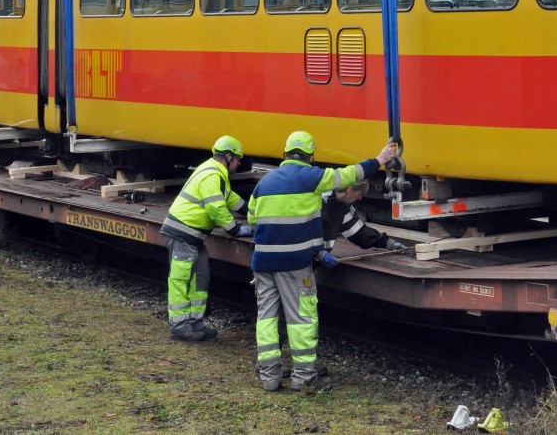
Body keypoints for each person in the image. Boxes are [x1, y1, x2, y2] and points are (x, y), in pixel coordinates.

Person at [249, 131, 399, 392]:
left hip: (262, 261)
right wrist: (380, 159)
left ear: (285, 153)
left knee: (267, 317)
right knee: (301, 318)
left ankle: (269, 376)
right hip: (293, 264)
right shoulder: (310, 177)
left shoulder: (265, 183)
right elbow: (350, 174)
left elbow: (252, 219)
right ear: (310, 156)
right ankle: (305, 376)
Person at [158, 135, 252, 341]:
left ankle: (195, 322)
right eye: (237, 159)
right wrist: (235, 230)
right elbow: (216, 208)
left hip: (193, 236)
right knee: (181, 280)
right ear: (228, 156)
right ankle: (179, 325)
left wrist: (253, 212)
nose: (239, 164)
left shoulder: (216, 173)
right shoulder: (212, 175)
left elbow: (231, 199)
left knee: (200, 278)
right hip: (182, 233)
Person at [320, 181, 406, 256]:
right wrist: (320, 255)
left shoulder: (341, 206)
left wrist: (387, 243)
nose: (360, 198)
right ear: (350, 190)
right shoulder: (317, 204)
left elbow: (358, 232)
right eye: (360, 194)